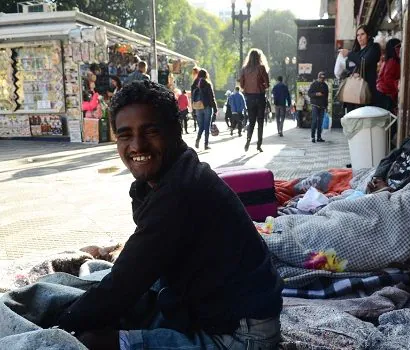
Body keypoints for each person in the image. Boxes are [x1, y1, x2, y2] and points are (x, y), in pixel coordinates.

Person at [56, 80, 283, 350]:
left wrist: (57, 328)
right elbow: (138, 268)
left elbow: (122, 286)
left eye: (150, 131)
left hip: (241, 336)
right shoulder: (169, 178)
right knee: (111, 306)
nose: (137, 145)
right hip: (211, 311)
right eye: (125, 135)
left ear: (175, 131)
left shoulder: (181, 191)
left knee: (91, 341)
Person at [343, 24, 381, 111]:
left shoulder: (374, 48)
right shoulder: (356, 51)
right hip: (353, 92)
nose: (359, 37)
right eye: (357, 35)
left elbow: (364, 62)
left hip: (365, 91)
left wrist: (349, 54)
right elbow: (347, 69)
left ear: (368, 35)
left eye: (362, 34)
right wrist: (351, 74)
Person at [240, 48, 270, 152]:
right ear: (259, 57)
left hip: (249, 97)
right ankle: (259, 144)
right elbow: (267, 84)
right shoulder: (261, 68)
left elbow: (242, 85)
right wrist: (262, 85)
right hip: (260, 96)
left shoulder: (244, 69)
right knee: (260, 121)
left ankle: (248, 140)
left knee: (251, 121)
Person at [191, 69, 218, 150]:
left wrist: (193, 109)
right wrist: (215, 108)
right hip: (207, 107)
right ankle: (206, 145)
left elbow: (192, 97)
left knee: (201, 126)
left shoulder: (194, 84)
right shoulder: (207, 84)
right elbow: (211, 97)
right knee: (206, 126)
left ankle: (197, 140)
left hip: (197, 107)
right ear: (206, 75)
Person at [376, 38, 401, 112]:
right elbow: (388, 79)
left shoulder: (388, 60)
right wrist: (397, 86)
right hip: (386, 93)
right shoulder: (392, 61)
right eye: (398, 47)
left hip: (383, 92)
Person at [308, 71, 329, 143]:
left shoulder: (325, 86)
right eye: (321, 78)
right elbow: (309, 93)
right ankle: (312, 137)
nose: (322, 80)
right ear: (318, 77)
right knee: (314, 121)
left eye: (323, 78)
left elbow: (326, 97)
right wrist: (316, 94)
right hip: (315, 105)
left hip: (322, 106)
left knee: (320, 122)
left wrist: (326, 106)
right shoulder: (314, 84)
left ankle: (319, 137)